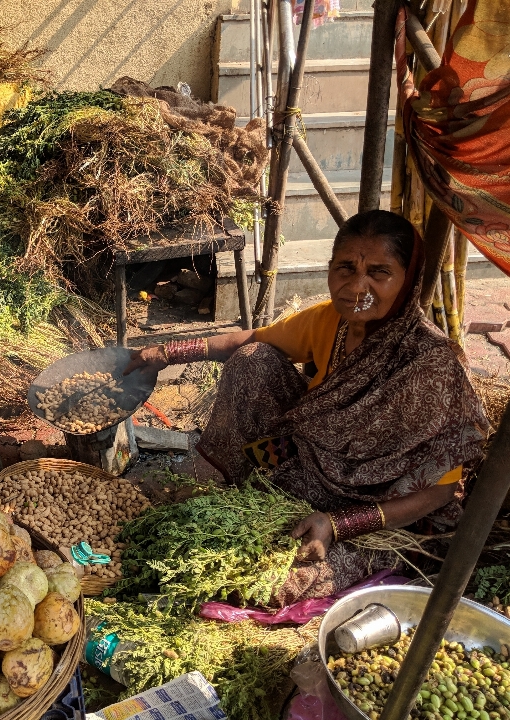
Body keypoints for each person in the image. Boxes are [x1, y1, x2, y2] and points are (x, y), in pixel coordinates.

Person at [127, 210, 491, 605]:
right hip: (309, 469)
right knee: (253, 359)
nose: (357, 287)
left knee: (267, 583)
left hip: (378, 508)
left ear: (408, 280)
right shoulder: (330, 321)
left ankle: (302, 519)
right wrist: (165, 352)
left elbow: (438, 494)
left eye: (380, 272)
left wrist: (338, 525)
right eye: (345, 269)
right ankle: (246, 486)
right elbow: (248, 339)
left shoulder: (429, 365)